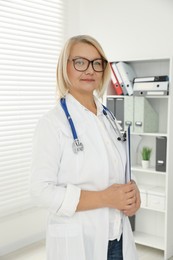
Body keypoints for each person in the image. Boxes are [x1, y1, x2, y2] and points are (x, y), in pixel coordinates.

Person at [30, 34, 141, 260]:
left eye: (96, 63)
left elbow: (111, 171)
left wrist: (131, 193)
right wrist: (106, 198)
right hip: (79, 241)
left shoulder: (107, 117)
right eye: (80, 62)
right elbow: (40, 191)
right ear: (65, 67)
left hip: (117, 237)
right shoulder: (52, 123)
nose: (89, 70)